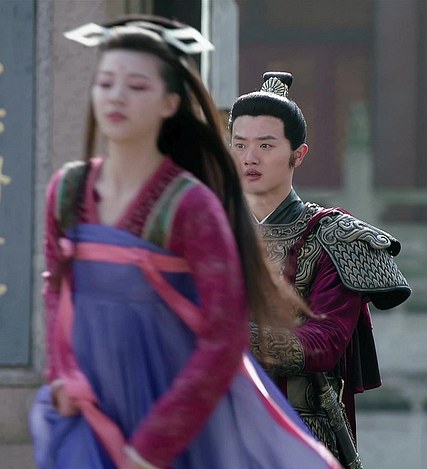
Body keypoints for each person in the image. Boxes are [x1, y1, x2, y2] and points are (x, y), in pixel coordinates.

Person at [28, 16, 340, 469]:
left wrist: (151, 447)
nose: (116, 96)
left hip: (172, 421)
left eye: (136, 86)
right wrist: (62, 376)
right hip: (88, 411)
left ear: (170, 102)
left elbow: (223, 337)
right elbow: (56, 287)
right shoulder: (68, 191)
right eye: (106, 83)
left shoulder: (190, 206)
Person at [228, 71, 411, 466]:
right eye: (239, 144)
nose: (249, 158)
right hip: (219, 426)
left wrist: (226, 334)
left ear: (298, 154)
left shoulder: (332, 235)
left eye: (265, 145)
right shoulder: (210, 232)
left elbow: (325, 342)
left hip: (302, 431)